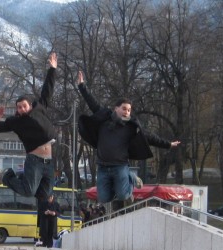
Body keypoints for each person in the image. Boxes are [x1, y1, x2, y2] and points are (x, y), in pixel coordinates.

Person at [76, 70, 181, 211]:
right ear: (116, 109)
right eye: (124, 109)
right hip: (102, 166)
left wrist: (168, 144)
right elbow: (92, 103)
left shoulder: (131, 126)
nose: (127, 112)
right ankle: (127, 179)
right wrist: (82, 86)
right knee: (104, 198)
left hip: (119, 166)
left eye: (129, 110)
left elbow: (149, 137)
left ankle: (130, 178)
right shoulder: (105, 118)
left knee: (123, 194)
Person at [0, 52, 58, 202]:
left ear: (30, 105)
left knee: (45, 196)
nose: (21, 109)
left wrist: (52, 69)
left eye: (23, 106)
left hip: (49, 161)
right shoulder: (16, 122)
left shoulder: (40, 108)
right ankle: (7, 175)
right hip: (35, 160)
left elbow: (47, 90)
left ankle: (22, 177)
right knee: (28, 191)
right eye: (18, 107)